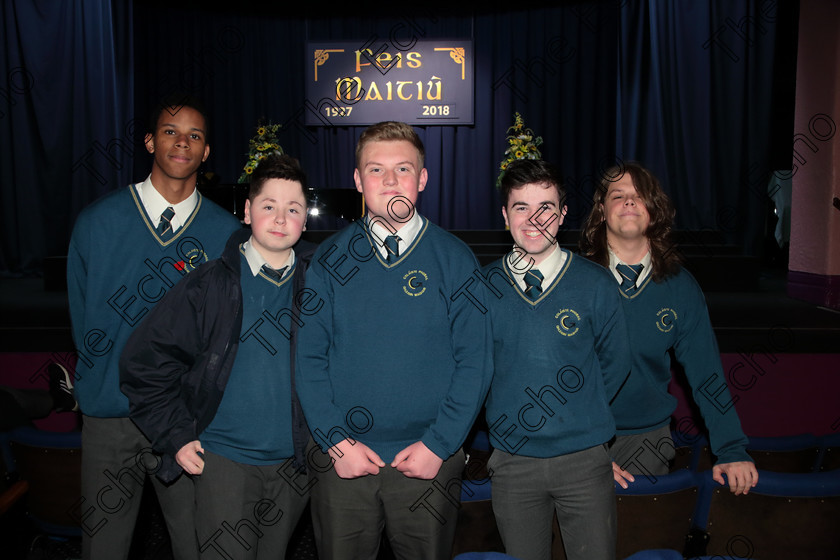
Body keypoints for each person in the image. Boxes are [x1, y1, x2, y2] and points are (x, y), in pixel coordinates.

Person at [295, 121, 493, 560]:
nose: (389, 181)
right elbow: (308, 359)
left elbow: (475, 362)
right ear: (357, 180)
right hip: (342, 462)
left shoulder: (455, 259)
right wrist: (335, 442)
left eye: (403, 169)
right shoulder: (329, 259)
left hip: (427, 462)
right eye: (376, 170)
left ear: (422, 179)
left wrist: (439, 445)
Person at [66, 93, 241, 560]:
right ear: (149, 141)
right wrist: (98, 384)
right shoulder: (96, 223)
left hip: (187, 423)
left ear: (206, 153)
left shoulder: (227, 236)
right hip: (110, 416)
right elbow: (83, 322)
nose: (182, 142)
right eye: (170, 131)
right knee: (103, 548)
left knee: (199, 547)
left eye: (195, 135)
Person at [120, 153, 316, 559]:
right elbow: (144, 362)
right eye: (268, 206)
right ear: (247, 211)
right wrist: (176, 434)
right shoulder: (207, 285)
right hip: (223, 461)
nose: (280, 219)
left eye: (292, 209)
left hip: (293, 464)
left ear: (306, 218)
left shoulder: (322, 286)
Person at [481, 158, 631, 560]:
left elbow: (615, 363)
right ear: (505, 215)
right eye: (521, 207)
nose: (534, 219)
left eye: (546, 207)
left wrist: (579, 417)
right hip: (513, 464)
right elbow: (472, 372)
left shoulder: (596, 283)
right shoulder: (482, 288)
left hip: (584, 462)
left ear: (563, 214)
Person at [579, 161, 758, 495]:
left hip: (646, 441)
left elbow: (708, 377)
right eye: (618, 196)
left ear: (654, 211)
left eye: (639, 196)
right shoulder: (573, 280)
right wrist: (583, 450)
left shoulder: (681, 287)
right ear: (601, 211)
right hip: (577, 439)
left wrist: (731, 448)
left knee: (639, 542)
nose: (629, 202)